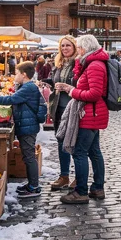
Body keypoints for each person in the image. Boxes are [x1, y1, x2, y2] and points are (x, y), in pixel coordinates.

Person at [56, 34, 108, 205]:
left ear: (85, 48)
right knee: (94, 152)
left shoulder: (94, 65)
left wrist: (72, 91)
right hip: (92, 113)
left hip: (89, 114)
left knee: (80, 153)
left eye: (78, 47)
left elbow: (94, 93)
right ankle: (97, 188)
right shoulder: (92, 63)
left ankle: (81, 192)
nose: (77, 50)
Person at [0, 61, 44, 198]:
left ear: (24, 74)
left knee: (29, 156)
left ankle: (34, 187)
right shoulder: (26, 86)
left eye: (17, 73)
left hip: (28, 126)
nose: (15, 76)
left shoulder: (29, 88)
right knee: (27, 155)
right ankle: (32, 184)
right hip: (26, 124)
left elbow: (11, 99)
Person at [46, 36, 78, 191]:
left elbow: (81, 84)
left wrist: (67, 87)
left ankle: (79, 176)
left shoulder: (78, 63)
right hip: (58, 107)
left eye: (68, 45)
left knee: (75, 142)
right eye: (63, 46)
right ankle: (64, 176)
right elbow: (54, 81)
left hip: (73, 107)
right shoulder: (59, 64)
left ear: (74, 47)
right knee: (60, 141)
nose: (65, 48)